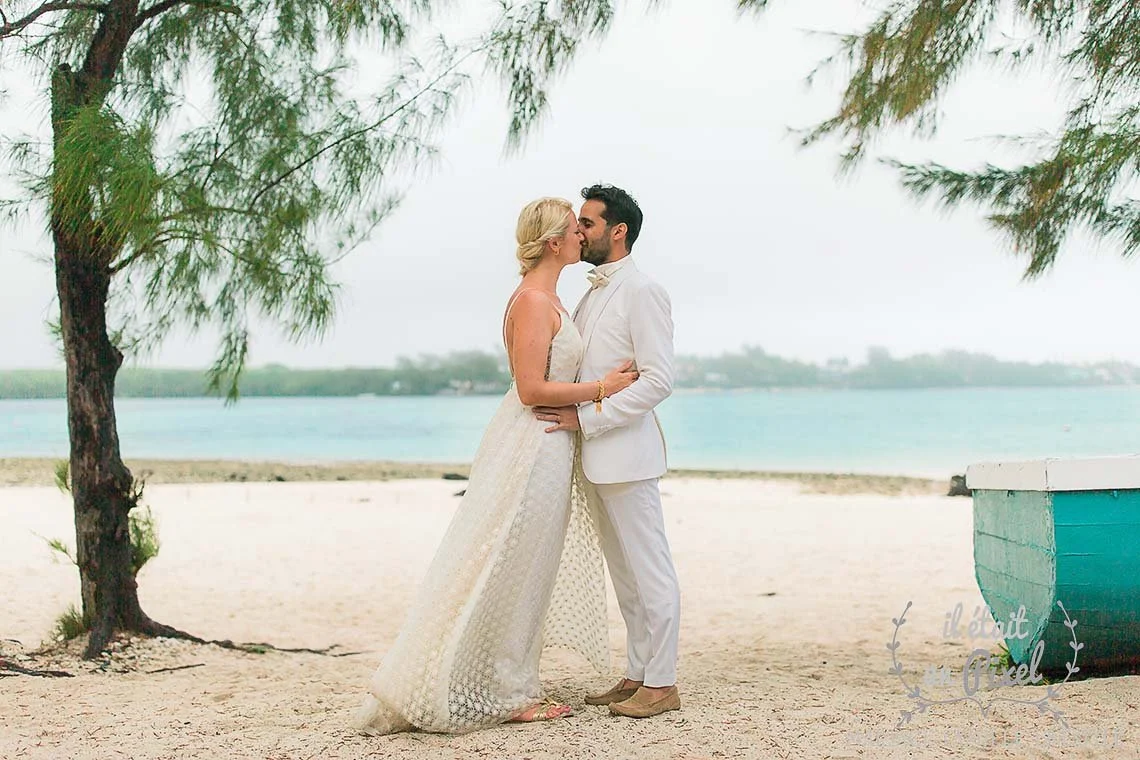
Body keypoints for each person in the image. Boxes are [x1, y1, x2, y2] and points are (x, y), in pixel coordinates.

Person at [352, 197, 638, 734]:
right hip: (534, 448)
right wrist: (604, 389)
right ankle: (507, 690)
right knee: (515, 567)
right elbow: (531, 389)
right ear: (554, 243)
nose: (582, 234)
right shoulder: (533, 300)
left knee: (526, 568)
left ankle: (500, 676)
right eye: (573, 230)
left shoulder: (549, 297)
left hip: (549, 445)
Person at [534, 184, 682, 719]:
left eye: (589, 224)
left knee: (651, 572)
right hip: (595, 458)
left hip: (627, 453)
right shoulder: (593, 291)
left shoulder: (643, 291)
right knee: (625, 576)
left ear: (617, 231)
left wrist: (587, 417)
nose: (579, 231)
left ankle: (663, 685)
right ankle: (637, 673)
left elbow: (659, 380)